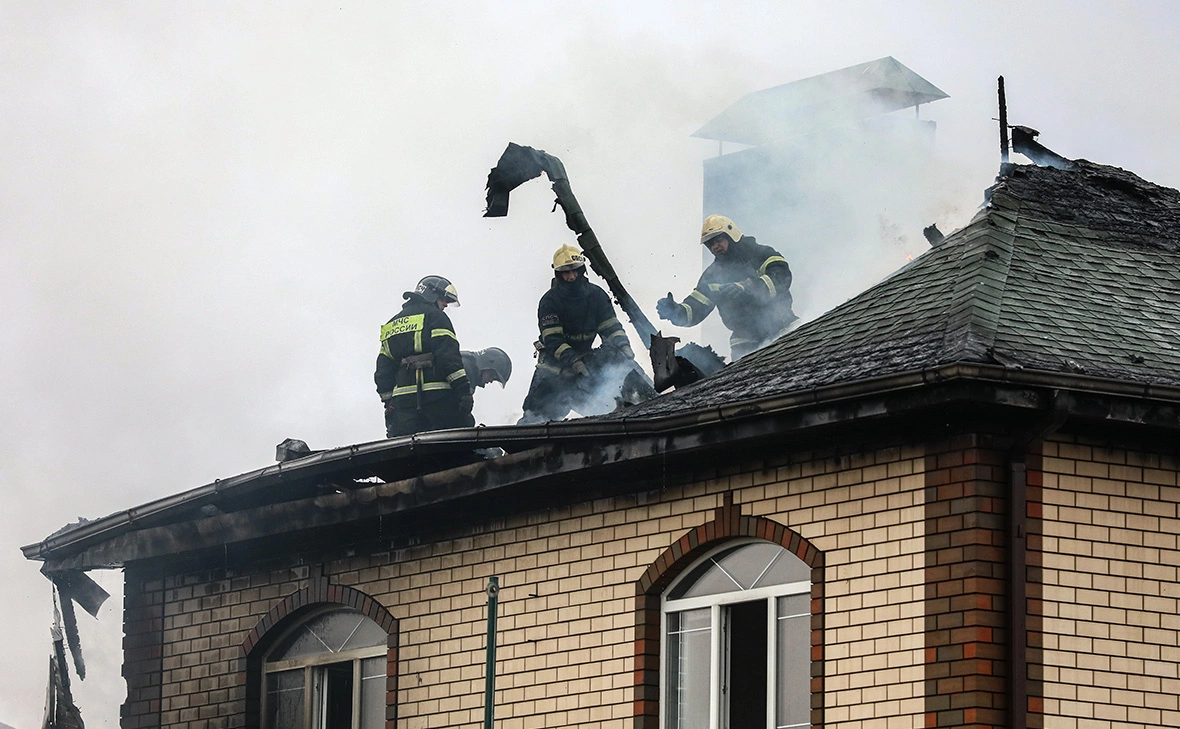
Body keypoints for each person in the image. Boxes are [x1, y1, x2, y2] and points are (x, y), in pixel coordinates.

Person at [519, 244, 636, 423]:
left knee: (607, 406)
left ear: (582, 270)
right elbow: (553, 340)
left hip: (588, 362)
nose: (572, 276)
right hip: (554, 367)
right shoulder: (550, 301)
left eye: (575, 271)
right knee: (534, 417)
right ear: (558, 275)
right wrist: (573, 361)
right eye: (566, 272)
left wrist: (623, 345)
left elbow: (610, 327)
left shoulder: (597, 296)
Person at [656, 214, 797, 360]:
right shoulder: (712, 276)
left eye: (718, 240)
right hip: (745, 342)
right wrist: (676, 311)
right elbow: (695, 308)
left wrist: (748, 288)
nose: (715, 247)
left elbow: (782, 277)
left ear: (731, 235)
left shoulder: (761, 254)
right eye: (710, 244)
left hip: (782, 327)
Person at [375, 275, 473, 437]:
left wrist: (389, 404)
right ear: (432, 295)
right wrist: (463, 391)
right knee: (460, 442)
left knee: (408, 455)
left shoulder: (392, 324)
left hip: (404, 409)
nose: (445, 305)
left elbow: (383, 370)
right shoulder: (436, 317)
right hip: (439, 402)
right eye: (443, 299)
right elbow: (448, 358)